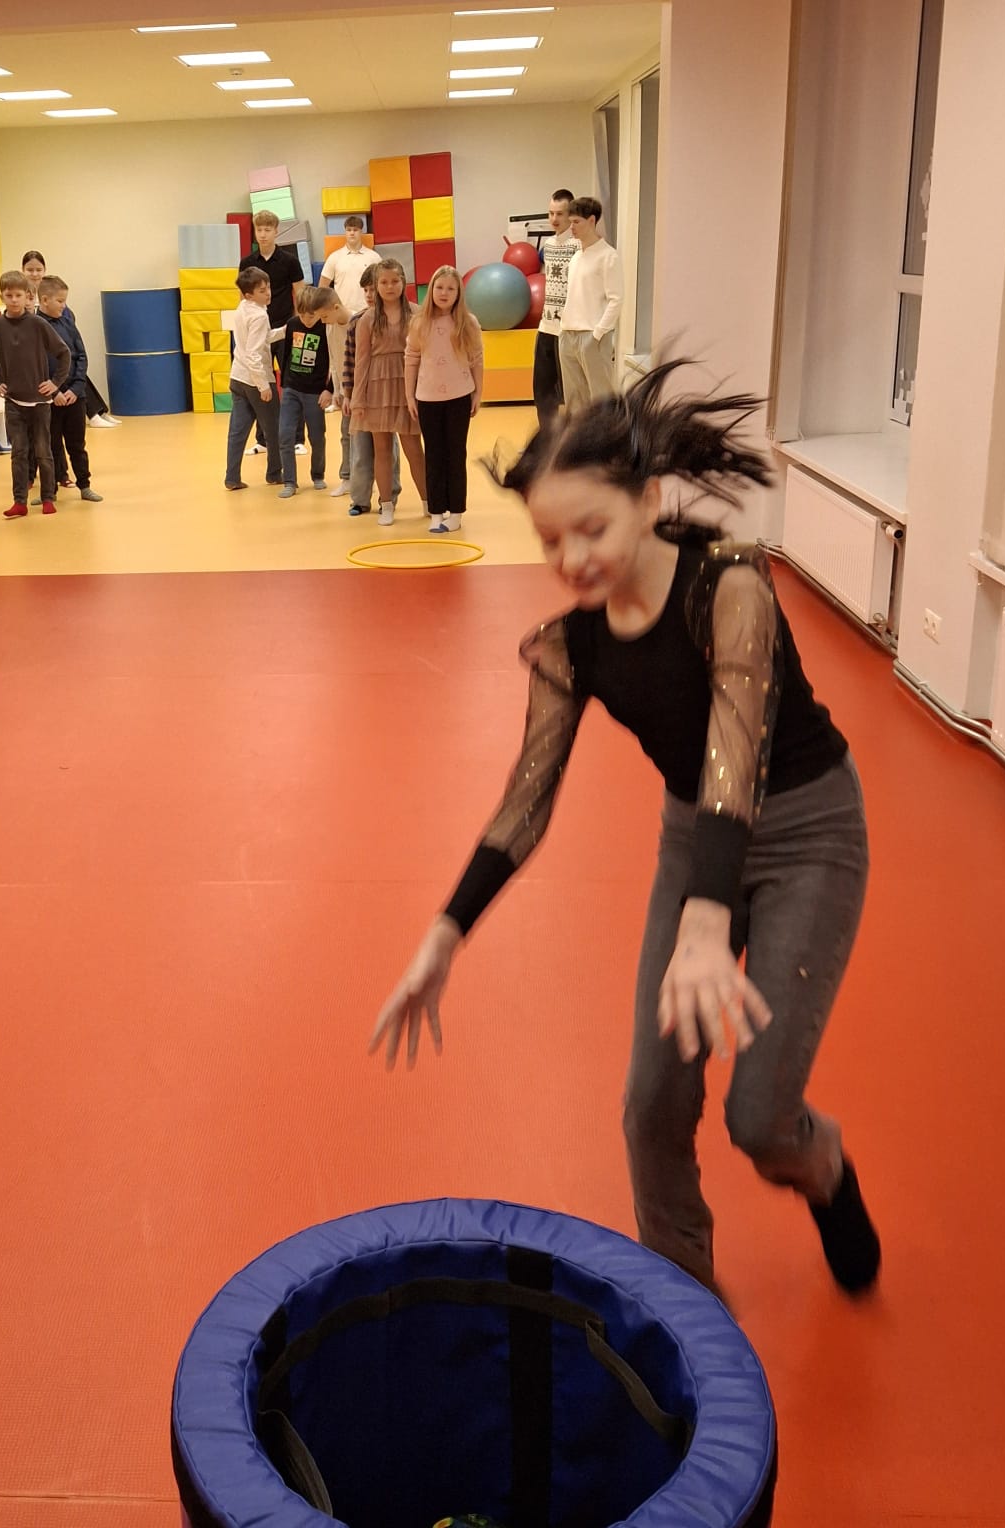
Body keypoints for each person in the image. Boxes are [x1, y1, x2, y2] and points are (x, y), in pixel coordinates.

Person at [369, 361, 882, 1302]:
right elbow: (526, 800)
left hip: (807, 832)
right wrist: (446, 932)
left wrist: (706, 923)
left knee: (761, 1119)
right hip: (697, 838)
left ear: (648, 501)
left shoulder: (730, 586)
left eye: (592, 529)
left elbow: (735, 751)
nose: (571, 560)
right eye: (549, 540)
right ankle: (684, 1315)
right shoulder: (574, 645)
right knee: (650, 1108)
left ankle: (826, 1169)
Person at [404, 266, 483, 535]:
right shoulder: (419, 323)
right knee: (434, 455)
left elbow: (476, 358)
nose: (444, 293)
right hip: (427, 399)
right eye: (439, 287)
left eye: (450, 288)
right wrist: (409, 395)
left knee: (455, 453)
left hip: (459, 397)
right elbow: (411, 359)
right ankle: (436, 512)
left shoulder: (468, 322)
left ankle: (456, 512)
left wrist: (478, 393)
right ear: (431, 290)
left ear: (458, 292)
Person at [0, 271, 69, 519]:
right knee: (18, 452)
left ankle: (48, 498)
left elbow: (63, 353)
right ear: (1, 296)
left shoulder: (38, 324)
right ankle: (19, 501)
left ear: (28, 296)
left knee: (43, 451)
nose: (13, 300)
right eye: (9, 295)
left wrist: (55, 383)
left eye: (18, 295)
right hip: (13, 401)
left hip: (40, 402)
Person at [352, 258, 427, 527]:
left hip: (409, 384)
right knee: (381, 449)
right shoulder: (367, 319)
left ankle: (429, 502)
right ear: (376, 285)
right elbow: (361, 361)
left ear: (403, 282)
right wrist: (357, 398)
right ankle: (386, 505)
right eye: (383, 282)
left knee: (413, 448)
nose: (389, 286)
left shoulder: (417, 313)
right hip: (378, 386)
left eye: (395, 281)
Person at [21, 250, 118, 432]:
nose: (34, 274)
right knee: (65, 369)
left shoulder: (54, 291)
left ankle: (98, 411)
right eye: (30, 270)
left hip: (63, 349)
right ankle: (93, 413)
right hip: (46, 367)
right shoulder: (23, 295)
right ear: (23, 270)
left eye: (38, 270)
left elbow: (68, 319)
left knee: (76, 369)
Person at [319, 215, 382, 493]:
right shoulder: (335, 258)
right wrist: (338, 389)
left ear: (362, 232)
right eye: (348, 230)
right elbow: (323, 285)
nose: (352, 234)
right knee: (348, 429)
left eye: (356, 229)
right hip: (342, 317)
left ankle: (379, 484)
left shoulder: (373, 257)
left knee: (375, 437)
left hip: (363, 318)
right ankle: (348, 478)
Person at [239, 210, 305, 454]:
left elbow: (300, 292)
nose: (263, 234)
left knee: (292, 382)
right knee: (261, 382)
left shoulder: (290, 261)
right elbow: (243, 299)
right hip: (260, 330)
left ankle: (297, 439)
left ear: (276, 231)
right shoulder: (247, 263)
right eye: (259, 230)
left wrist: (299, 324)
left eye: (268, 229)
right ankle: (263, 439)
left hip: (285, 327)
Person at [339, 262, 402, 519]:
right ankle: (360, 499)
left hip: (391, 393)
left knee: (389, 450)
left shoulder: (403, 316)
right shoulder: (358, 321)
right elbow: (351, 361)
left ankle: (390, 496)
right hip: (363, 395)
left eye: (371, 289)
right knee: (361, 450)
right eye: (365, 290)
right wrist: (348, 394)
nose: (368, 294)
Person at [277, 285, 350, 498]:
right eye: (303, 315)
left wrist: (328, 389)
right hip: (291, 389)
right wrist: (285, 382)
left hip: (315, 392)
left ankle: (317, 474)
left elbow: (333, 360)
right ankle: (289, 480)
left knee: (317, 436)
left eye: (311, 316)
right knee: (285, 434)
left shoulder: (325, 327)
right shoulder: (292, 324)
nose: (307, 320)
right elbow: (285, 354)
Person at [36, 275, 103, 503]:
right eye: (60, 301)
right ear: (45, 300)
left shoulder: (68, 323)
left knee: (77, 445)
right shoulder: (35, 327)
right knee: (51, 445)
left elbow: (81, 356)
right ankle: (50, 490)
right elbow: (37, 364)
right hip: (50, 399)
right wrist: (54, 392)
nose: (64, 306)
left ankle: (85, 485)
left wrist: (75, 388)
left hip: (75, 396)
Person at [558, 196, 623, 410]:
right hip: (568, 334)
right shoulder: (576, 257)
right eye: (571, 222)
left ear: (592, 220)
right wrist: (563, 329)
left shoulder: (608, 256)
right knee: (574, 402)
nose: (572, 227)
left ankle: (607, 433)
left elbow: (616, 300)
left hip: (593, 335)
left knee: (601, 400)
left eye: (577, 222)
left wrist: (598, 334)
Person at [223, 268, 285, 490]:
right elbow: (254, 354)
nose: (268, 293)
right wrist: (263, 386)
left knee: (237, 432)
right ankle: (274, 473)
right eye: (262, 290)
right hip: (255, 380)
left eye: (268, 287)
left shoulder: (242, 308)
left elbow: (259, 340)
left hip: (238, 376)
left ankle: (232, 477)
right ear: (249, 295)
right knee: (273, 428)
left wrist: (284, 331)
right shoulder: (259, 315)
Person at [533, 188, 579, 430]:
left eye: (559, 214)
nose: (554, 219)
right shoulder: (549, 245)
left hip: (569, 329)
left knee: (572, 392)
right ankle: (547, 438)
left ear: (571, 214)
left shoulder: (579, 246)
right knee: (542, 391)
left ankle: (573, 439)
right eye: (550, 213)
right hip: (546, 327)